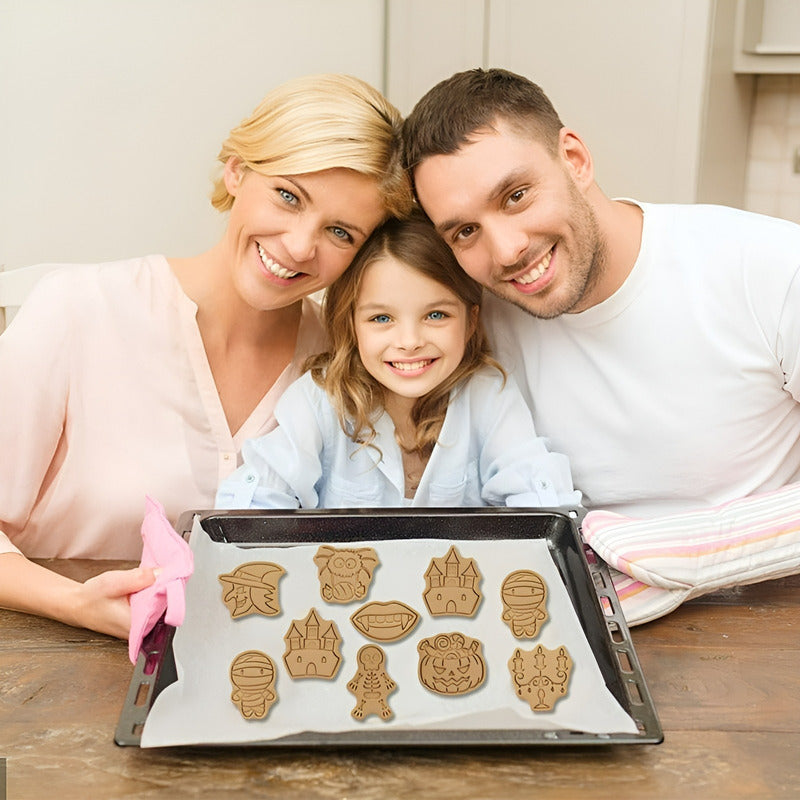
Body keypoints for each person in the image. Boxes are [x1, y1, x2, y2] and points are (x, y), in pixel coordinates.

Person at [0, 73, 413, 638]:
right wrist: (77, 605)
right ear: (238, 171)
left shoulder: (345, 360)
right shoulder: (78, 309)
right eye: (288, 197)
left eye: (340, 232)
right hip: (54, 668)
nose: (298, 246)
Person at [402, 67, 800, 622]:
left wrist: (680, 553)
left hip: (764, 623)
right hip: (578, 621)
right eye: (465, 231)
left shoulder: (770, 267)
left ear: (575, 159)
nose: (508, 250)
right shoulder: (471, 320)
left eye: (516, 196)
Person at [215, 210, 580, 510]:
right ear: (352, 324)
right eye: (382, 319)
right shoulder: (319, 399)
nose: (409, 342)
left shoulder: (487, 394)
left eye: (436, 315)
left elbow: (539, 497)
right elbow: (256, 500)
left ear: (470, 322)